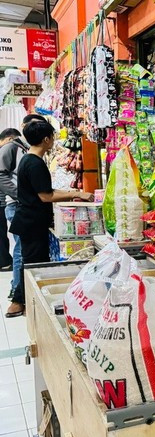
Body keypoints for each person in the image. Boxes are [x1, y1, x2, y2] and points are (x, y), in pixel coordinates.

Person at [7, 120, 92, 317]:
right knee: (34, 265)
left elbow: (47, 191)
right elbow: (46, 196)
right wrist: (74, 195)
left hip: (30, 221)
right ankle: (22, 301)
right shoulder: (35, 164)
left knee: (31, 262)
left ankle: (25, 300)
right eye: (52, 137)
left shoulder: (29, 160)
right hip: (32, 222)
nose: (54, 140)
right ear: (46, 139)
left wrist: (74, 191)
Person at [0, 128, 27, 298]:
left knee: (20, 247)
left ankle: (17, 287)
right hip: (15, 204)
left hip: (14, 203)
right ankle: (17, 290)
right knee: (20, 248)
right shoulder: (10, 147)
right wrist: (20, 194)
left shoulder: (20, 148)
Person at [0, 129, 19, 273]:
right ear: (9, 138)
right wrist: (18, 194)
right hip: (3, 201)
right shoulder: (7, 150)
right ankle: (4, 262)